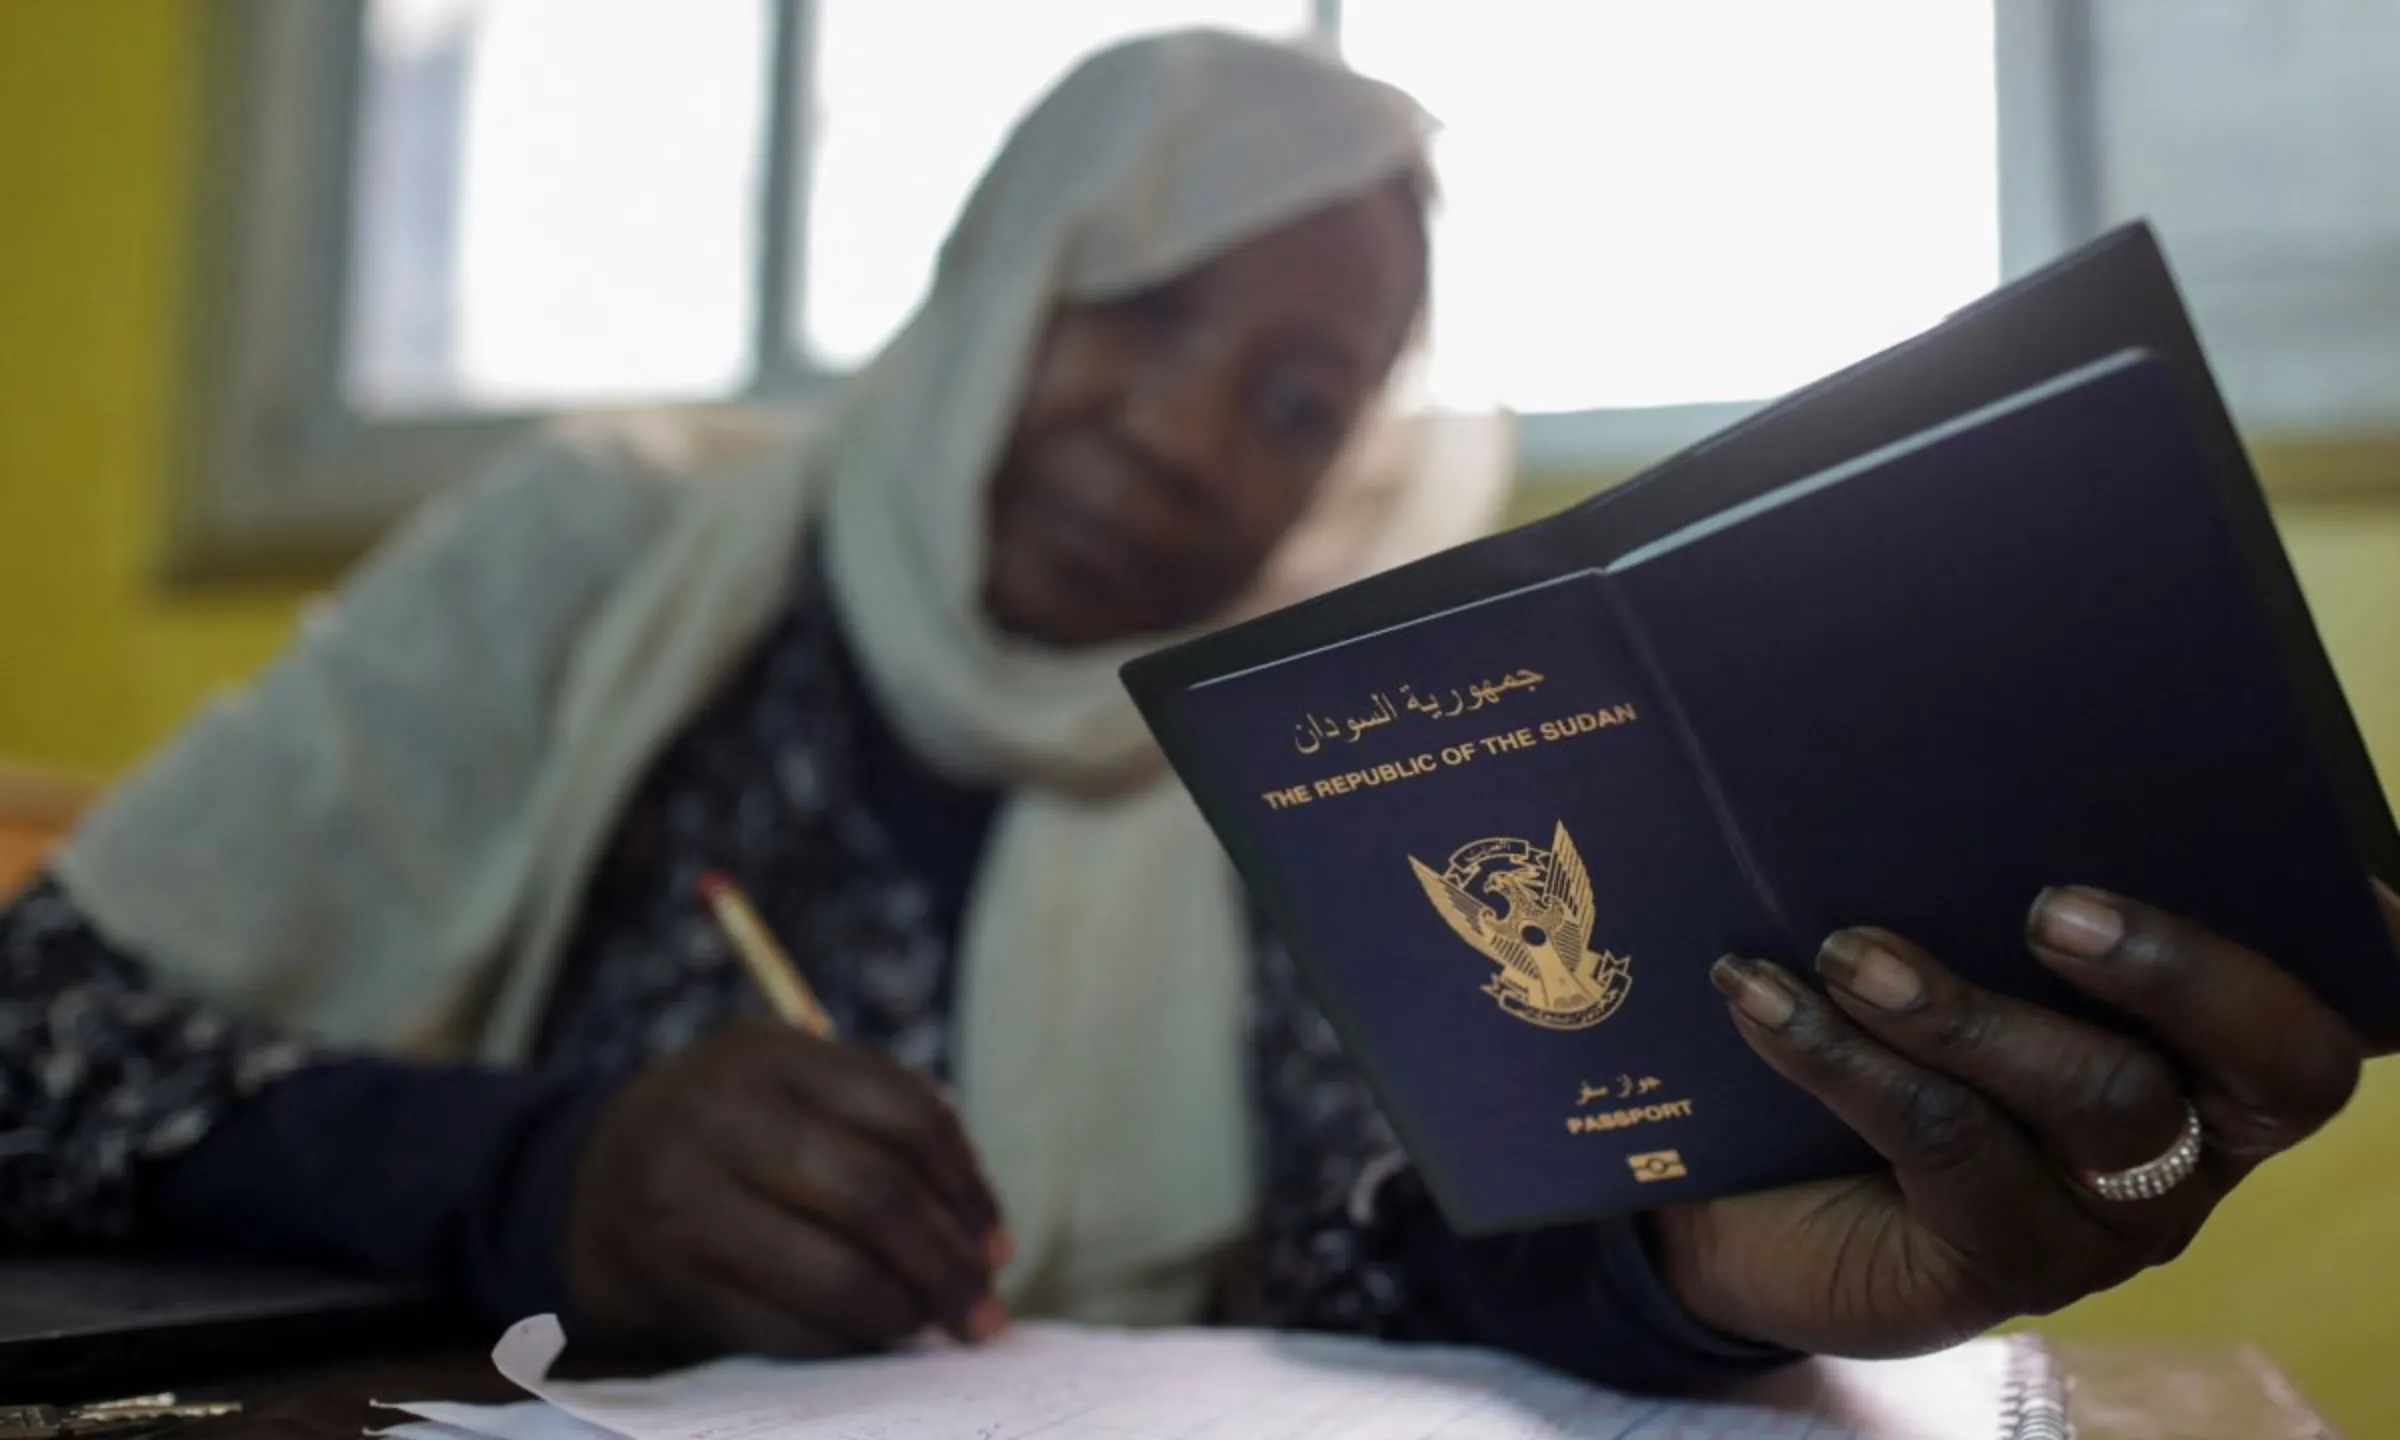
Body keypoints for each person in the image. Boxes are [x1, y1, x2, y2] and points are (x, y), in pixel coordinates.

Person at [2, 29, 2392, 1390]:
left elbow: (1393, 1224)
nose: (1183, 435)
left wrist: (1727, 1266)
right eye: (1131, 307)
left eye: (1291, 396)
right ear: (984, 270)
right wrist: (555, 1174)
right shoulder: (603, 555)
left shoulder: (1341, 717)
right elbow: (42, 1032)